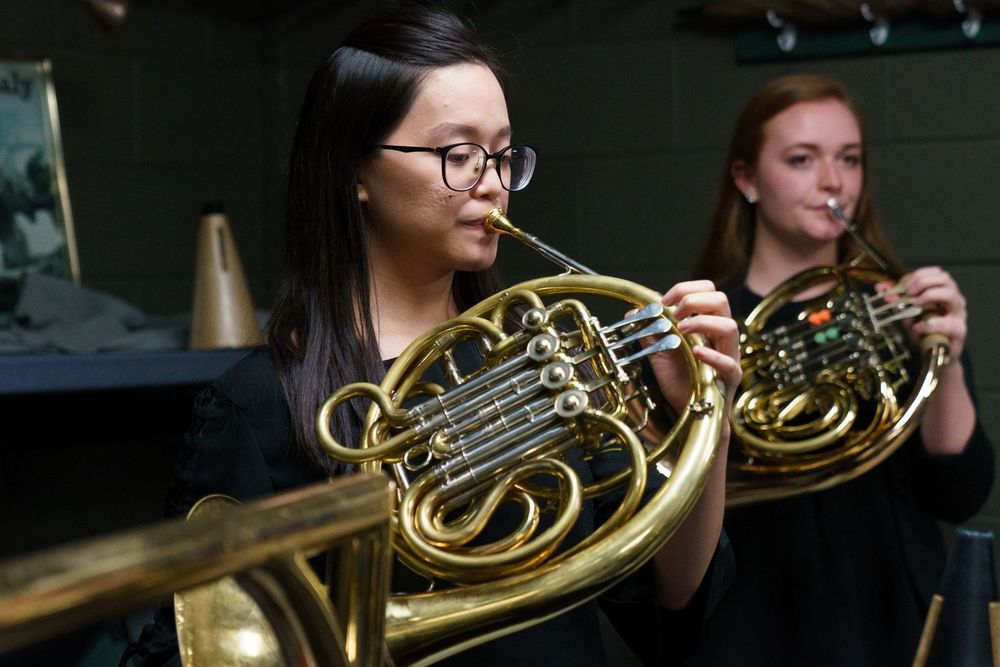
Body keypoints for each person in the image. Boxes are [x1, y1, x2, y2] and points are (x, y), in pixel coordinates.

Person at [124, 4, 741, 666]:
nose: (494, 184)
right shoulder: (259, 402)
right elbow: (185, 645)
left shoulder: (545, 354)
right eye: (458, 155)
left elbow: (674, 595)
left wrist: (709, 416)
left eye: (504, 155)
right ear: (354, 169)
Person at [686, 73, 994, 666]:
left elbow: (961, 494)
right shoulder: (710, 322)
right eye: (803, 159)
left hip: (895, 626)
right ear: (746, 179)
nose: (834, 182)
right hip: (756, 627)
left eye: (849, 160)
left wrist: (946, 362)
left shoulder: (902, 310)